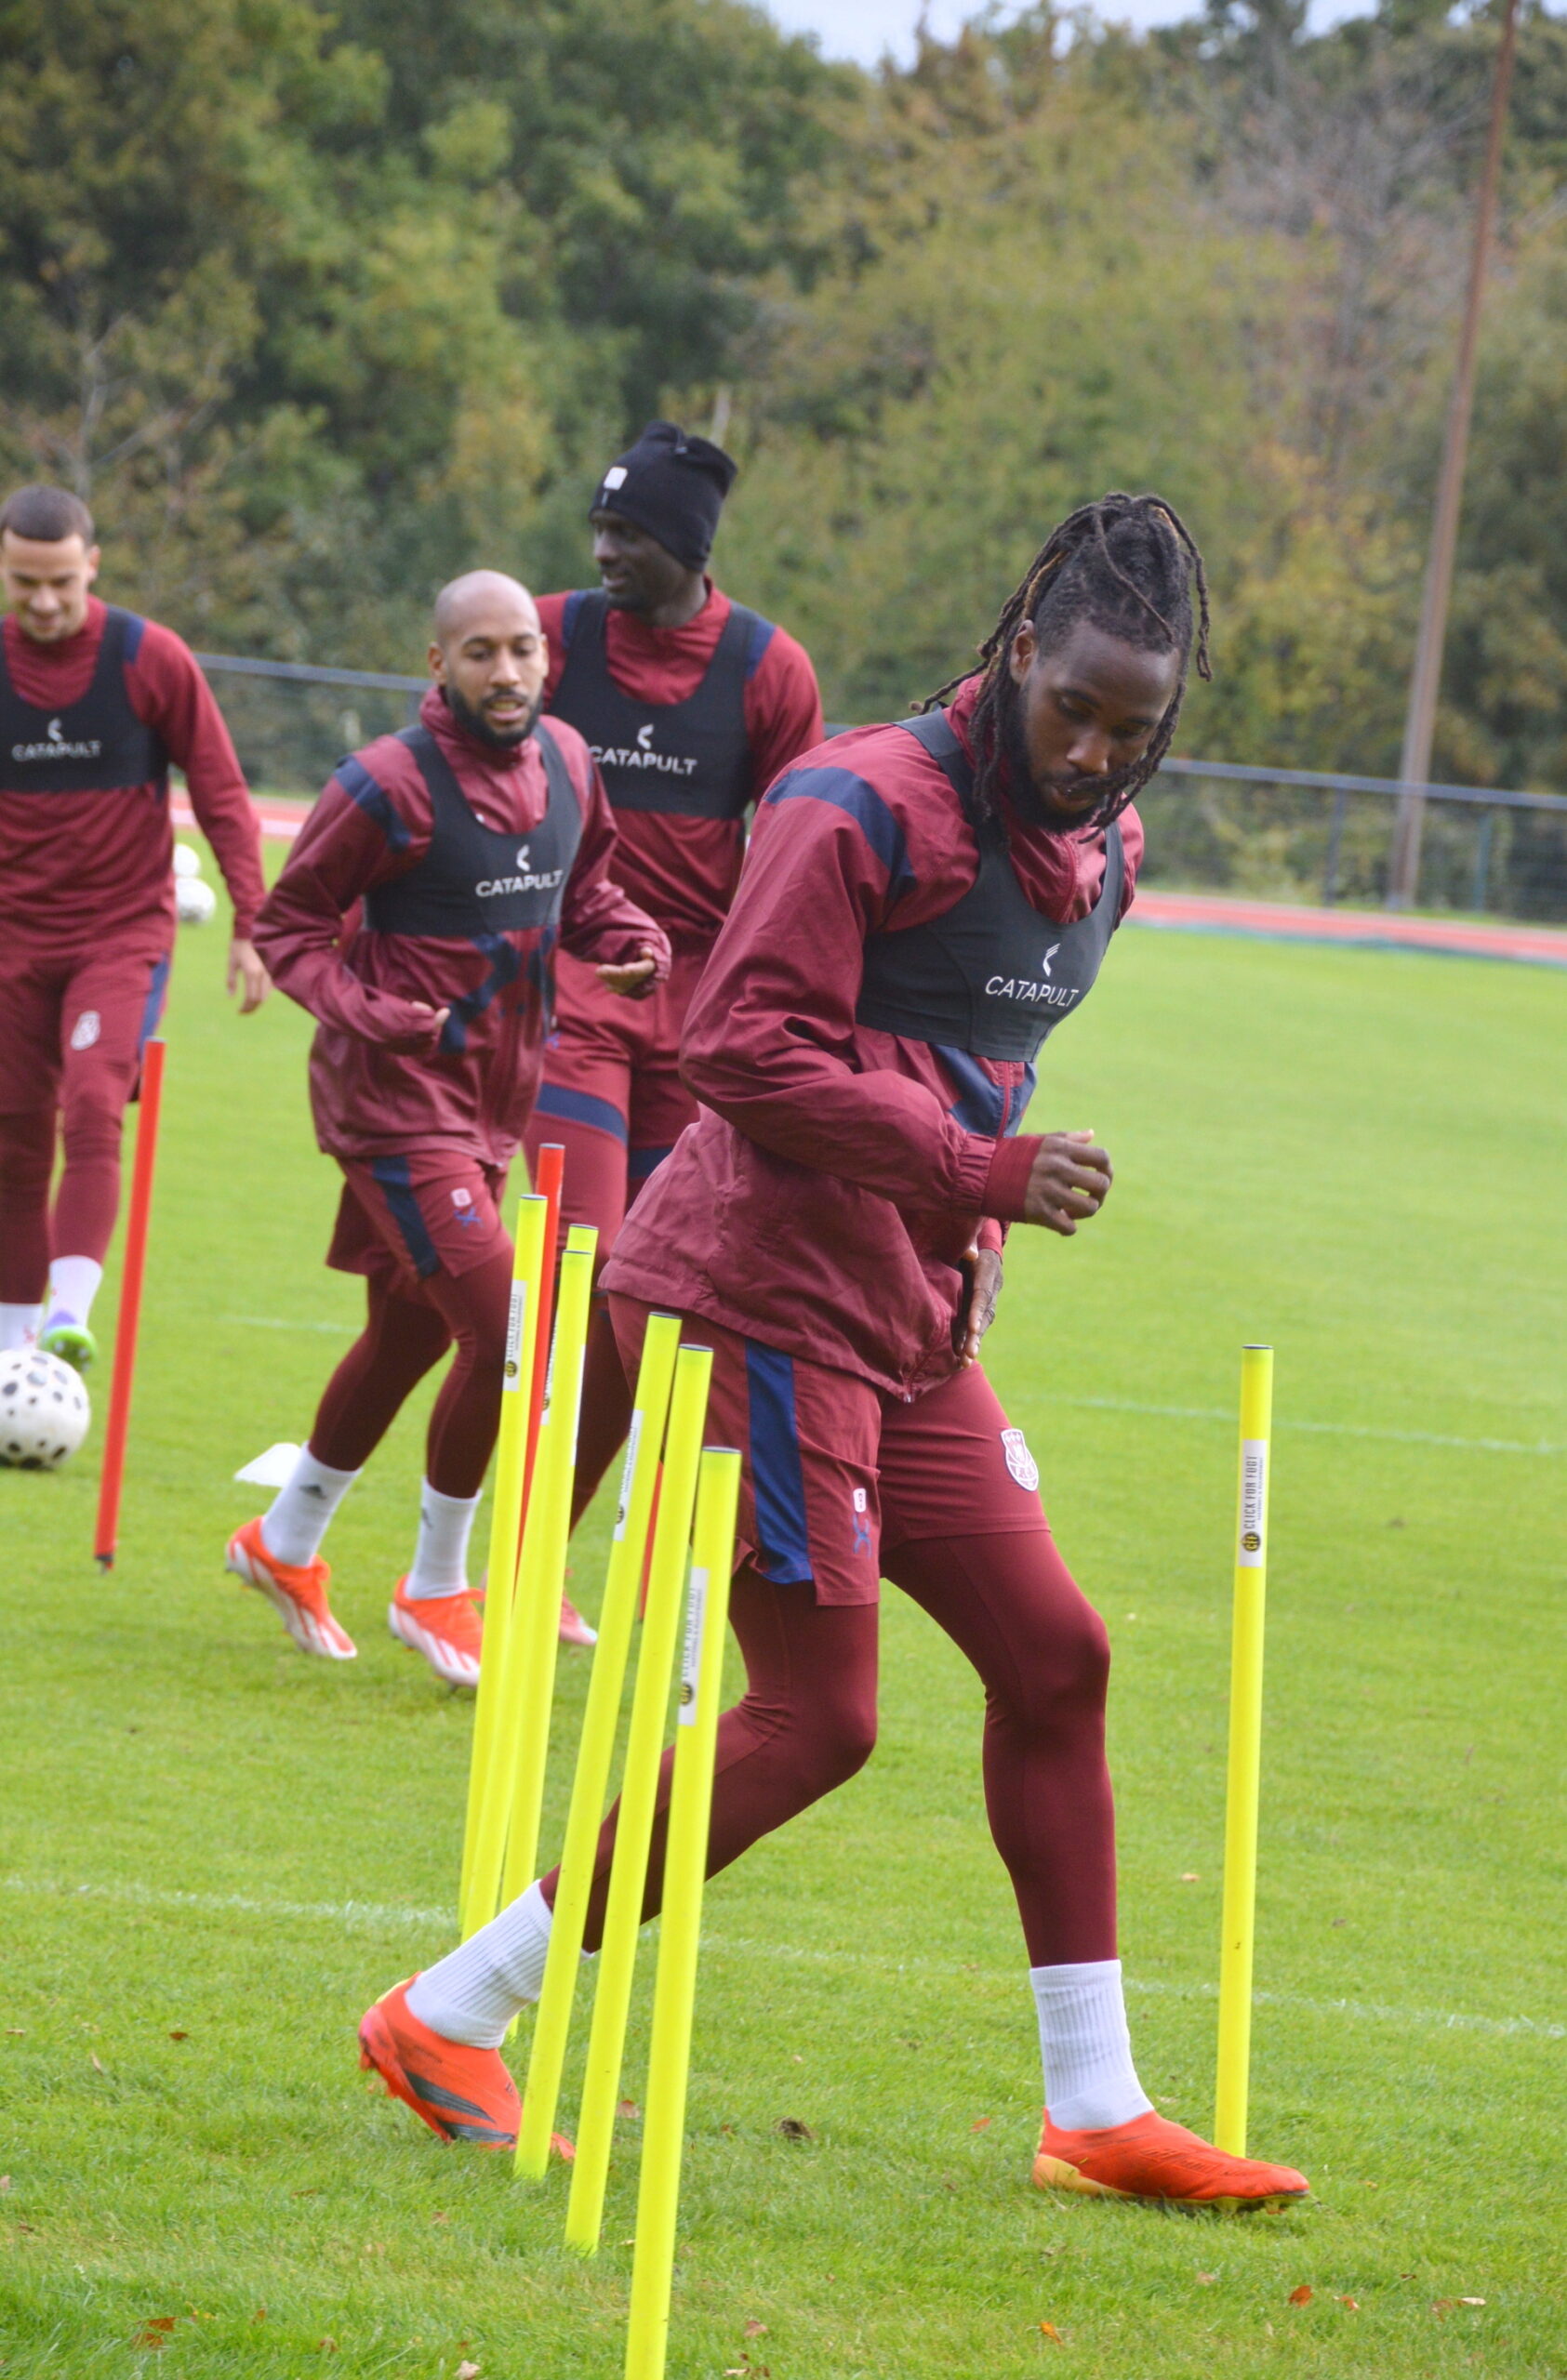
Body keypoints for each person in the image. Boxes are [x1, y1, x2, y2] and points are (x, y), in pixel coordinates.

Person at [358, 496, 1309, 2211]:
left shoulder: (1111, 851)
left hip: (901, 1316)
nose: (1095, 754)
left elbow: (980, 1062)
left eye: (1134, 728)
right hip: (758, 1297)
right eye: (1073, 709)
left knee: (1058, 1660)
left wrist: (972, 1233)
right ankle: (447, 2013)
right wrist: (978, 1175)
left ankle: (1094, 2109)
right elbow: (738, 1045)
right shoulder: (857, 800)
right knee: (817, 1718)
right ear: (1019, 646)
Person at [229, 573, 670, 1689]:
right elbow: (287, 930)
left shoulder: (568, 760)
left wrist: (633, 939)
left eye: (522, 648)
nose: (506, 671)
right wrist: (378, 1013)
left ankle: (281, 1540)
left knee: (409, 1335)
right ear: (438, 664)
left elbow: (588, 892)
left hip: (490, 1106)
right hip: (391, 1108)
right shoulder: (384, 784)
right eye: (480, 652)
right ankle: (436, 1585)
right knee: (514, 1332)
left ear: (544, 657)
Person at [528, 422, 822, 1641]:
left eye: (629, 534)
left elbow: (801, 848)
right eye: (599, 528)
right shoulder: (549, 636)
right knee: (580, 1271)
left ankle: (532, 1568)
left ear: (690, 548)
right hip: (569, 989)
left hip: (698, 1022)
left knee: (640, 1304)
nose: (604, 552)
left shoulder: (768, 669)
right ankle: (468, 1561)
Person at [0, 484, 269, 1368]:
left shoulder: (148, 658)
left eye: (61, 582)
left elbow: (220, 789)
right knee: (14, 1140)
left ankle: (67, 1319)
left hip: (119, 935)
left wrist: (249, 920)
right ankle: (11, 1355)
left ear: (92, 565)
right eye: (24, 582)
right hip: (12, 943)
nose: (44, 601)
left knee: (91, 1102)